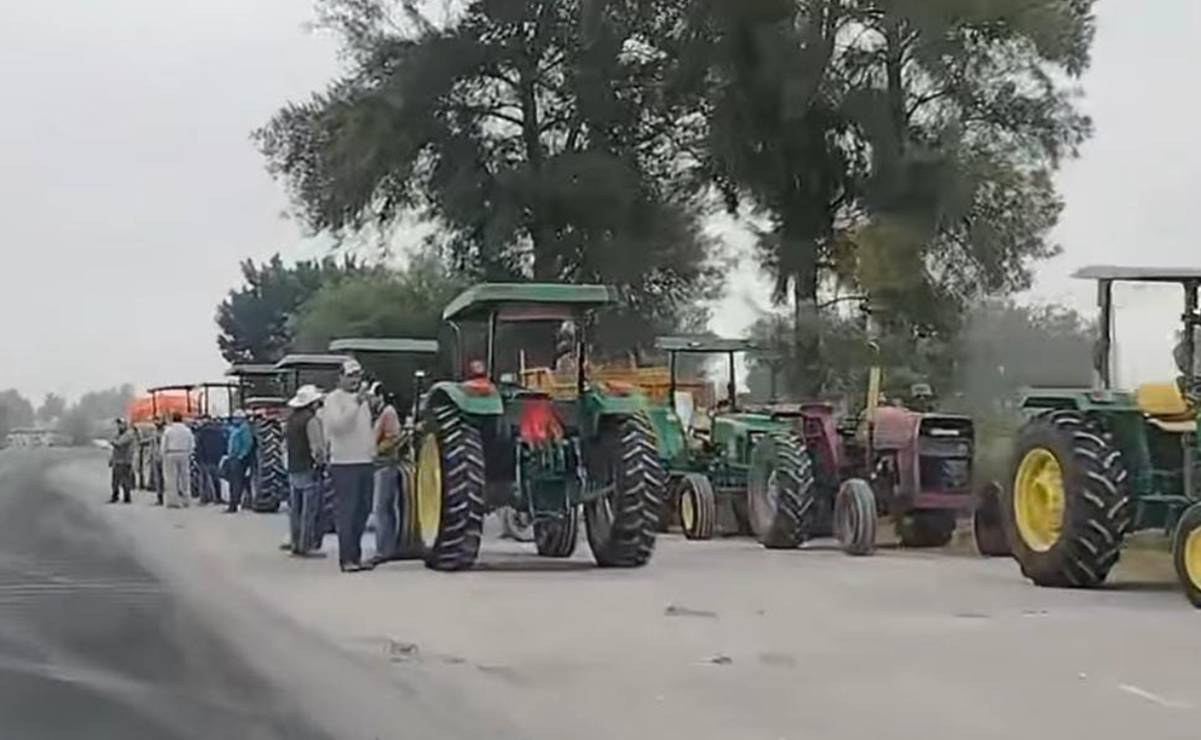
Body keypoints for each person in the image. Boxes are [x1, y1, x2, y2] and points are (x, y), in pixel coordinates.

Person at [320, 359, 377, 572]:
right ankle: (347, 559)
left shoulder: (360, 401)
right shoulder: (334, 400)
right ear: (340, 377)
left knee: (363, 509)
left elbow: (364, 430)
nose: (355, 380)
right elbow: (338, 427)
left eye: (358, 376)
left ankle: (356, 555)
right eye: (351, 376)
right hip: (344, 463)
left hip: (364, 461)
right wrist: (356, 404)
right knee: (348, 511)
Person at [284, 384, 327, 557]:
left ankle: (295, 543)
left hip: (294, 467)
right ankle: (306, 545)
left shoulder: (291, 421)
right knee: (309, 510)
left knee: (296, 509)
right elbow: (316, 448)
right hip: (309, 468)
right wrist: (321, 462)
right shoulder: (312, 421)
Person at [369, 383, 403, 566]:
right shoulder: (382, 413)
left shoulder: (388, 413)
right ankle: (387, 547)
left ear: (380, 397)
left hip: (385, 465)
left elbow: (393, 437)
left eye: (373, 396)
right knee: (384, 509)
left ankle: (384, 550)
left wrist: (376, 450)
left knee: (382, 509)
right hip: (381, 465)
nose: (371, 400)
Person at [160, 411, 194, 509]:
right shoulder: (187, 430)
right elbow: (191, 443)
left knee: (171, 478)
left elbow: (164, 444)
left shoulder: (168, 430)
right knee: (185, 478)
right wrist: (189, 452)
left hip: (171, 453)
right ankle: (186, 500)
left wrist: (163, 454)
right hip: (183, 453)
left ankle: (173, 501)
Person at [224, 411, 255, 513]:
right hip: (233, 457)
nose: (234, 420)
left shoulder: (244, 429)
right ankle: (239, 502)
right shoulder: (236, 429)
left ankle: (234, 505)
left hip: (238, 459)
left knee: (236, 483)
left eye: (236, 418)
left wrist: (241, 456)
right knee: (235, 482)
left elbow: (247, 444)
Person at [194, 415, 227, 505]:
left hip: (204, 458)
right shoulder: (219, 430)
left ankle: (205, 498)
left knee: (204, 479)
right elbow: (223, 443)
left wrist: (198, 457)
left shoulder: (201, 432)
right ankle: (218, 497)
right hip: (216, 457)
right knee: (216, 478)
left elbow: (198, 446)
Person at [108, 418, 136, 504]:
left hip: (125, 460)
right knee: (115, 480)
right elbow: (114, 448)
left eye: (121, 424)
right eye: (118, 424)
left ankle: (127, 497)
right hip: (118, 460)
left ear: (125, 425)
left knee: (125, 480)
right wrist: (111, 459)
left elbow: (119, 444)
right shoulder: (118, 434)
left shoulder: (129, 434)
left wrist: (113, 441)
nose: (119, 426)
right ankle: (115, 495)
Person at [150, 417, 166, 505]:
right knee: (158, 479)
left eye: (158, 420)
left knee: (166, 478)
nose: (156, 422)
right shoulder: (154, 432)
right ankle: (160, 497)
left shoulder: (166, 432)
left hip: (164, 457)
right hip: (156, 457)